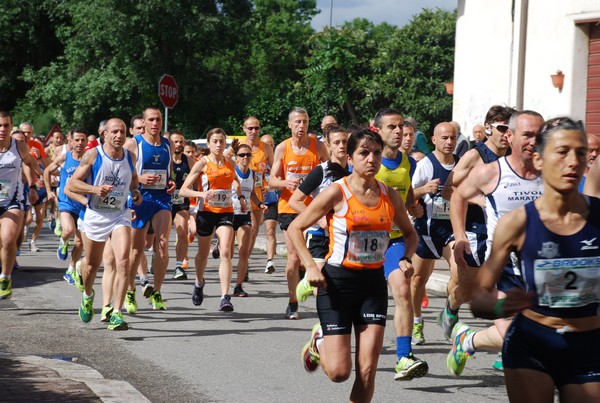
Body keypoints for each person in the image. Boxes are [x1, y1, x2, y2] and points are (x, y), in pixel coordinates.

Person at [467, 117, 600, 402]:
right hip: (533, 343)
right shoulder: (517, 223)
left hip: (590, 344)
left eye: (580, 152)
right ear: (539, 160)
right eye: (562, 152)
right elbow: (479, 297)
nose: (574, 161)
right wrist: (502, 305)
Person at [289, 128, 417, 403]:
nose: (371, 159)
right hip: (337, 282)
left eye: (376, 153)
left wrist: (406, 257)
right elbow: (296, 228)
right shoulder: (337, 192)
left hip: (372, 286)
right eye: (363, 153)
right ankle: (318, 343)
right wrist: (310, 266)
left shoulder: (390, 196)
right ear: (349, 157)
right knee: (338, 372)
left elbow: (410, 234)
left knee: (367, 371)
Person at [447, 110, 545, 376]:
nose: (533, 141)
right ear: (510, 136)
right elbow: (457, 196)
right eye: (527, 135)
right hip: (503, 272)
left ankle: (467, 340)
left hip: (542, 271)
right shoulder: (490, 172)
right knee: (521, 339)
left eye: (538, 135)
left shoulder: (550, 174)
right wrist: (459, 236)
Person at [438, 105, 515, 341]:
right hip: (474, 229)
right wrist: (479, 200)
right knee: (469, 288)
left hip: (502, 233)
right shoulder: (475, 156)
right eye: (501, 128)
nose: (506, 133)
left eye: (509, 129)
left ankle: (507, 343)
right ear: (488, 128)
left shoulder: (512, 157)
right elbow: (448, 190)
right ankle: (450, 309)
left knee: (504, 286)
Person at [65, 118, 142, 330]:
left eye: (123, 132)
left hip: (120, 214)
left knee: (123, 260)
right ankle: (88, 294)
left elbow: (134, 180)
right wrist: (95, 190)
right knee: (91, 264)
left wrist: (135, 193)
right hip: (96, 215)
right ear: (105, 134)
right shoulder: (93, 154)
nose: (119, 136)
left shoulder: (130, 156)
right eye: (115, 132)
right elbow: (73, 184)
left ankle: (117, 312)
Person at [372, 109, 427, 380]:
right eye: (391, 127)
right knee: (352, 300)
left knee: (403, 290)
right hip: (363, 241)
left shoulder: (408, 163)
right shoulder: (368, 160)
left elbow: (406, 200)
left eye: (400, 127)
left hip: (393, 240)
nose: (397, 131)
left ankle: (404, 357)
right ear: (378, 131)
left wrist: (413, 208)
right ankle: (324, 335)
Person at [268, 107, 329, 319]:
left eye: (305, 121)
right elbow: (271, 180)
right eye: (298, 122)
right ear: (290, 124)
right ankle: (293, 301)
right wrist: (285, 182)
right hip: (288, 207)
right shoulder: (283, 148)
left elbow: (331, 170)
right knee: (294, 257)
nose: (302, 126)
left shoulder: (317, 146)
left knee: (306, 257)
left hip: (313, 208)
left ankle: (305, 272)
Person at [179, 128, 247, 312]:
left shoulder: (230, 164)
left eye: (221, 141)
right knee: (202, 254)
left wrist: (241, 199)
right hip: (206, 212)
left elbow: (235, 182)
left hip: (226, 211)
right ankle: (199, 282)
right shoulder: (202, 163)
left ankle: (225, 297)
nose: (218, 144)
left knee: (225, 251)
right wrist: (202, 193)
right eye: (215, 141)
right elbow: (183, 190)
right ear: (208, 144)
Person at [410, 122, 458, 347]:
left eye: (453, 138)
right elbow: (409, 195)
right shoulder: (426, 164)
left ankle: (449, 312)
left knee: (459, 274)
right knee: (419, 279)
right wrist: (423, 191)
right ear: (434, 140)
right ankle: (416, 322)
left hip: (451, 230)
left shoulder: (460, 164)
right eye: (445, 138)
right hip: (427, 230)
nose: (449, 142)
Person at [291, 124, 350, 301]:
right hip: (320, 235)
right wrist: (318, 218)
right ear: (328, 145)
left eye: (345, 142)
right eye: (337, 142)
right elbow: (295, 201)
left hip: (343, 235)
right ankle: (324, 324)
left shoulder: (355, 170)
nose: (341, 146)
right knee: (324, 284)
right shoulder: (321, 171)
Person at [124, 107, 175, 311]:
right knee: (136, 251)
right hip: (139, 198)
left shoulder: (167, 144)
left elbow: (169, 173)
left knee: (162, 243)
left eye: (158, 119)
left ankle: (157, 291)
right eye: (151, 119)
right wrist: (140, 179)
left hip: (161, 198)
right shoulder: (133, 144)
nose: (155, 123)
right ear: (143, 122)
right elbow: (122, 174)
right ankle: (129, 291)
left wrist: (171, 182)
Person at [0, 112, 40, 299]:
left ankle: (5, 276)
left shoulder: (20, 146)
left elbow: (29, 163)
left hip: (12, 200)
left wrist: (32, 186)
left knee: (9, 239)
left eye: (6, 125)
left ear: (11, 126)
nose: (2, 129)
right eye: (0, 126)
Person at [43, 128, 88, 283]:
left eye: (83, 140)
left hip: (83, 204)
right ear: (70, 141)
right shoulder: (65, 157)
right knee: (69, 230)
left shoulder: (90, 159)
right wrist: (49, 191)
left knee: (80, 241)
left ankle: (71, 270)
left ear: (87, 142)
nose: (80, 143)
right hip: (66, 202)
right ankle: (63, 241)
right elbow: (47, 171)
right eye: (77, 140)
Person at [230, 143, 267, 296]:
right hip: (229, 214)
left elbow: (252, 192)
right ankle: (218, 244)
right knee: (228, 252)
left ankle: (238, 286)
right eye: (242, 155)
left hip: (244, 214)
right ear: (236, 157)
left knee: (244, 251)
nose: (245, 157)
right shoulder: (231, 172)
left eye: (248, 155)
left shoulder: (253, 174)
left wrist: (259, 203)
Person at [239, 117, 273, 276]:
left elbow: (273, 170)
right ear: (244, 129)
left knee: (252, 231)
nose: (253, 131)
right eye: (250, 128)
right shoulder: (238, 146)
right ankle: (241, 261)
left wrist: (269, 185)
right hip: (240, 195)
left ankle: (244, 262)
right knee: (245, 230)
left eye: (256, 128)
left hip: (258, 195)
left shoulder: (265, 148)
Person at [169, 130, 195, 280]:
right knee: (162, 237)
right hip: (164, 201)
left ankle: (179, 266)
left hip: (181, 202)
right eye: (176, 142)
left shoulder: (189, 161)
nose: (179, 144)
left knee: (182, 233)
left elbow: (199, 176)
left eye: (181, 142)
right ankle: (156, 256)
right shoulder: (164, 158)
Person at [260, 134, 279, 273]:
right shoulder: (255, 161)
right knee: (250, 233)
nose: (269, 147)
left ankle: (270, 261)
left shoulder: (277, 163)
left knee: (270, 231)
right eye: (266, 144)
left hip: (274, 202)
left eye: (271, 144)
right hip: (258, 202)